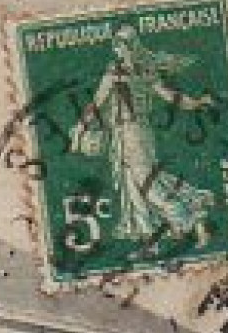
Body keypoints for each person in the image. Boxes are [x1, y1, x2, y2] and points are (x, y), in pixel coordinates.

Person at [69, 24, 217, 253]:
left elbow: (98, 101)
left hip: (132, 134)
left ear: (130, 47)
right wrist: (195, 103)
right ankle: (151, 241)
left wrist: (80, 127)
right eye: (116, 46)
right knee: (135, 186)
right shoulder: (141, 69)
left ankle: (191, 220)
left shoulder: (121, 71)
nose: (117, 51)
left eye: (121, 46)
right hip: (130, 133)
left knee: (148, 186)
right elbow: (167, 95)